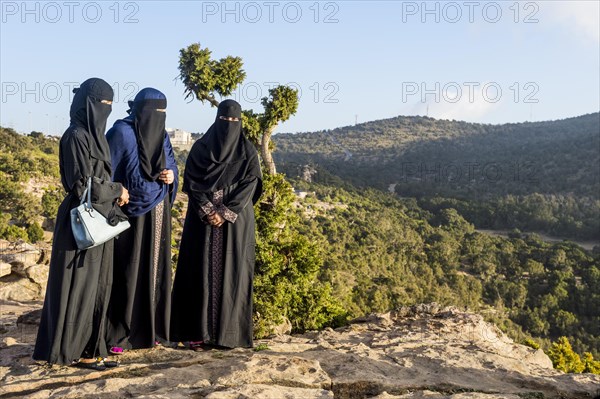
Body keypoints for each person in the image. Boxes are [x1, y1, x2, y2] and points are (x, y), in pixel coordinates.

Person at [33, 78, 129, 370]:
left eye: (111, 105)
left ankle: (91, 349)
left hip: (101, 220)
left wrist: (113, 194)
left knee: (98, 287)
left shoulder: (94, 136)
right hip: (80, 222)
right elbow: (80, 184)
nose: (107, 110)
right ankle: (69, 350)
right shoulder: (76, 136)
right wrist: (117, 190)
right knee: (77, 288)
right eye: (103, 104)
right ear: (88, 104)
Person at [170, 99, 262, 349]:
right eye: (225, 120)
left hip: (235, 223)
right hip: (202, 222)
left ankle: (228, 336)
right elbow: (192, 181)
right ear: (217, 119)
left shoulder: (247, 151)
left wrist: (226, 211)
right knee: (198, 271)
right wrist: (209, 210)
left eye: (234, 121)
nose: (229, 125)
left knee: (234, 274)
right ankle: (197, 334)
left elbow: (251, 183)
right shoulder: (201, 149)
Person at [105, 88, 178, 351]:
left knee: (155, 271)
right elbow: (105, 170)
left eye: (163, 112)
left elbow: (171, 164)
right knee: (127, 271)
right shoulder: (121, 132)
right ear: (137, 109)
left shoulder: (162, 135)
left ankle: (151, 331)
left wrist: (171, 176)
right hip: (128, 212)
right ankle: (119, 335)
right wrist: (117, 193)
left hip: (158, 210)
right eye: (153, 111)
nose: (157, 118)